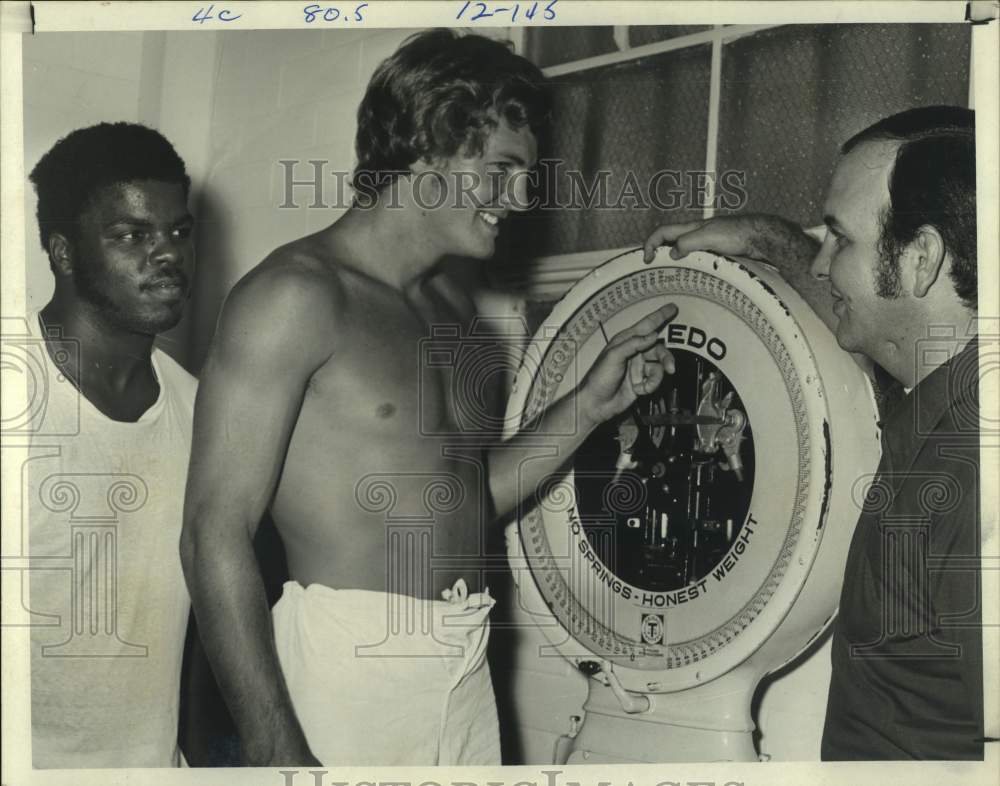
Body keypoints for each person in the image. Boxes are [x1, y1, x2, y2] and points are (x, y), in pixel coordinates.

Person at [180, 28, 677, 768]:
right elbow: (212, 531)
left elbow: (466, 499)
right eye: (502, 170)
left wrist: (587, 406)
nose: (518, 198)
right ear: (426, 149)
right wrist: (270, 735)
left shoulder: (452, 306)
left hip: (463, 663)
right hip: (342, 674)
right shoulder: (295, 296)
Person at [643, 105, 983, 760]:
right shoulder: (939, 400)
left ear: (921, 260)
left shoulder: (971, 474)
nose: (822, 265)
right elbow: (856, 312)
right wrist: (767, 242)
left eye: (839, 238)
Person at [25, 122, 198, 767]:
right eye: (130, 235)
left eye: (178, 232)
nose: (167, 255)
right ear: (64, 253)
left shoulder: (198, 406)